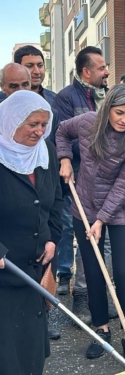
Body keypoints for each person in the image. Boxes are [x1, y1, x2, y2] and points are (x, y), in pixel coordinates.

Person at [56, 84, 125, 362]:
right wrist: (65, 158)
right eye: (119, 113)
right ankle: (101, 330)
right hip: (84, 203)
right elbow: (61, 131)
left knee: (122, 272)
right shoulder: (86, 122)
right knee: (93, 270)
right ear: (107, 108)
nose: (124, 120)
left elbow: (122, 187)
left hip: (122, 210)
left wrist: (101, 220)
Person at [0, 90, 63, 375]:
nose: (39, 131)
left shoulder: (45, 150)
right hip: (4, 271)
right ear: (11, 122)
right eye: (32, 124)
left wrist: (52, 237)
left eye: (43, 124)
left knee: (30, 350)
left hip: (34, 267)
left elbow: (56, 200)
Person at [53, 46, 110, 325]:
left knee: (103, 242)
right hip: (79, 181)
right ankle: (81, 295)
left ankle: (99, 294)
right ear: (86, 72)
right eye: (101, 68)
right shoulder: (66, 97)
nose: (107, 71)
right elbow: (65, 135)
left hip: (108, 182)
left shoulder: (108, 96)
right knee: (83, 238)